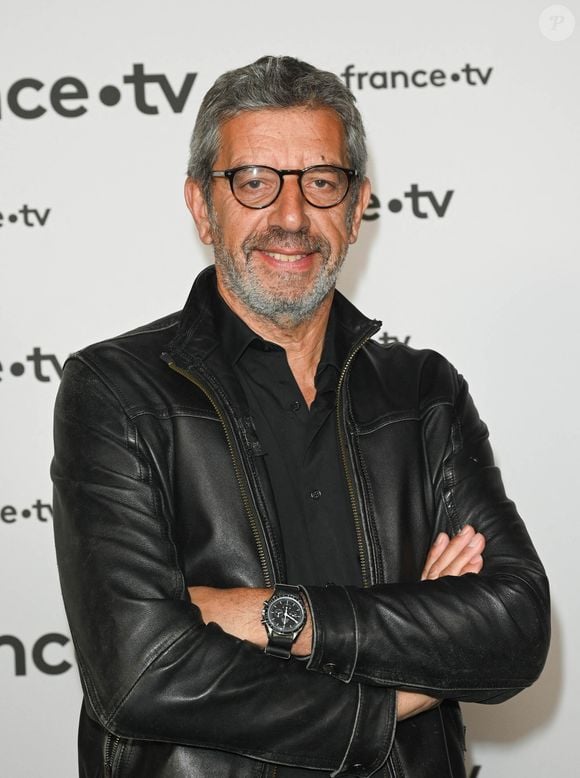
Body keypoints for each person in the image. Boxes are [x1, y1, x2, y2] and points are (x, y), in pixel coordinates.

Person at [52, 56, 550, 778]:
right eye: (254, 182)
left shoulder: (423, 394)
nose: (291, 217)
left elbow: (514, 629)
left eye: (321, 183)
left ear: (356, 209)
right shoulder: (116, 391)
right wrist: (403, 685)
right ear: (201, 206)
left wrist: (266, 616)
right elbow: (142, 672)